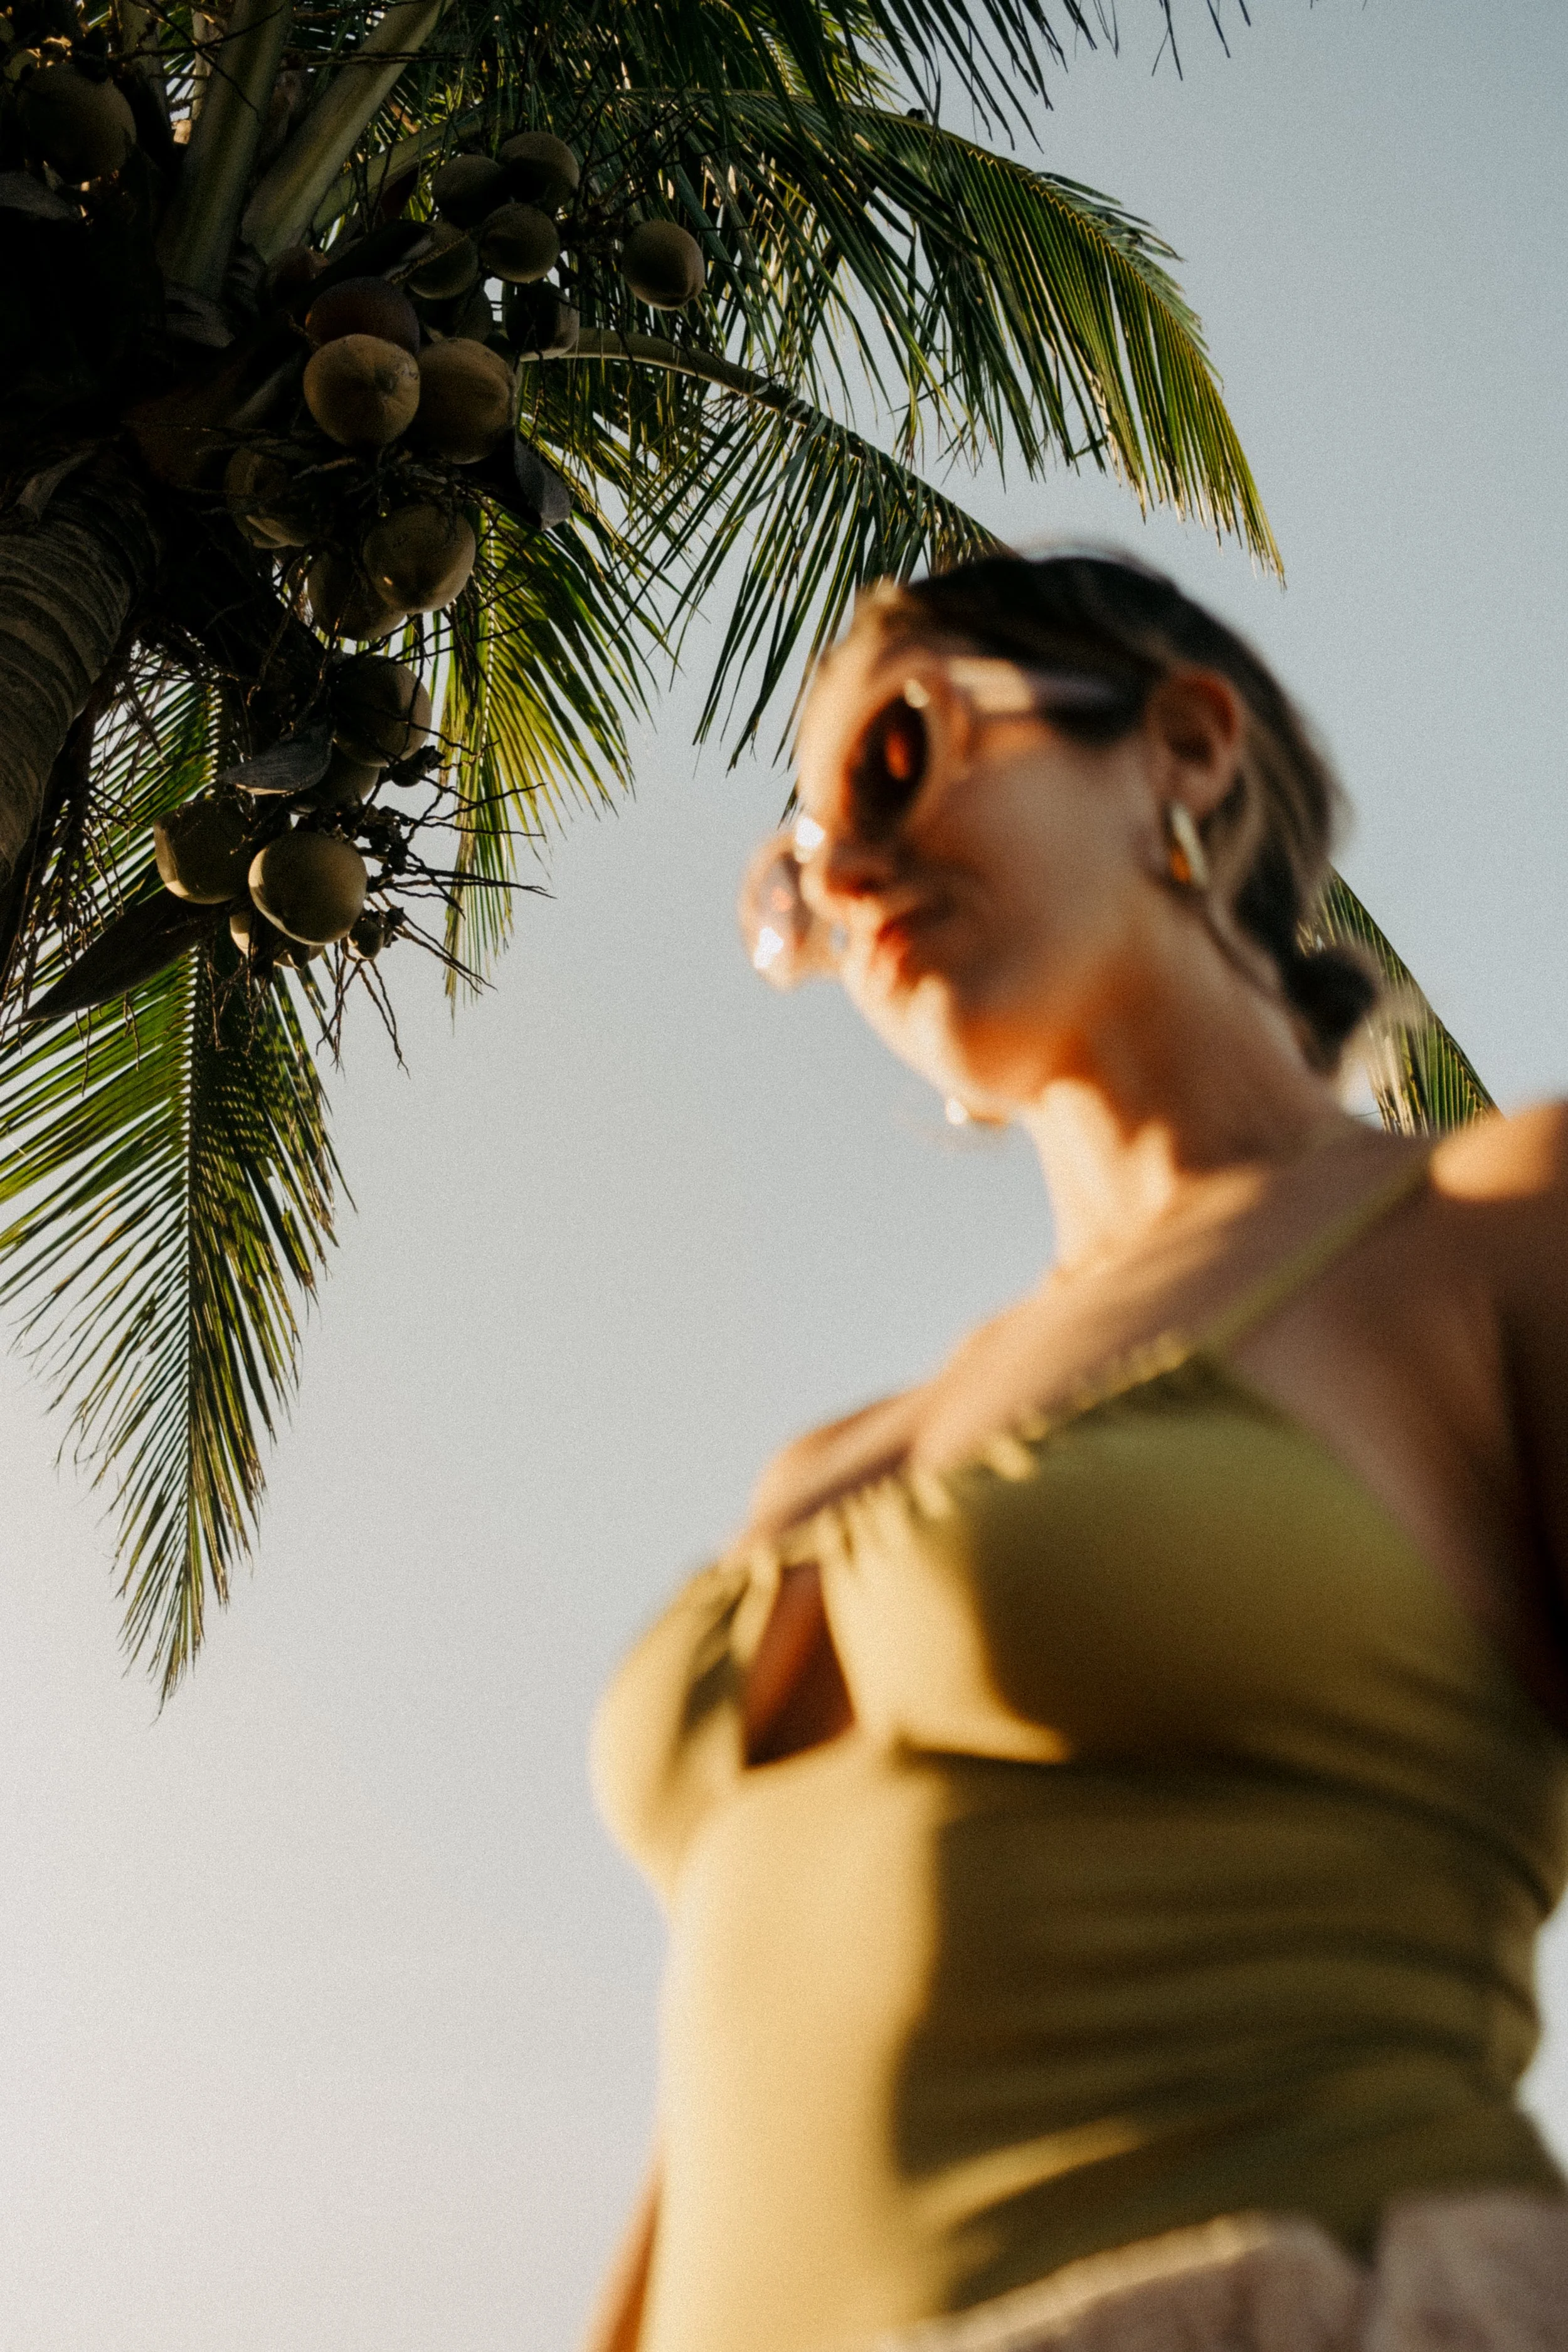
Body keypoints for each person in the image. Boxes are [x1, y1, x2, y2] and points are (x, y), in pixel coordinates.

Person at [585, 553, 1568, 2352]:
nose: (848, 867)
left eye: (894, 755)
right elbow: (732, 2078)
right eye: (795, 866)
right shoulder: (822, 1462)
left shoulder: (1488, 1232)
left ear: (1182, 746)